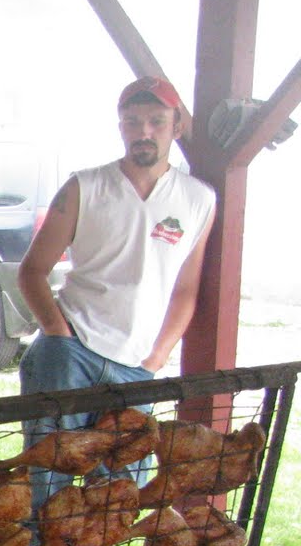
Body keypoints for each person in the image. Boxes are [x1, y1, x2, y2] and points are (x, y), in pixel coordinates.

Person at [16, 75, 216, 508]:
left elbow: (186, 289)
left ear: (175, 126)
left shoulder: (199, 200)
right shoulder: (84, 186)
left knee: (121, 489)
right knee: (50, 479)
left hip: (137, 365)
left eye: (156, 121)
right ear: (121, 127)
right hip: (71, 354)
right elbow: (32, 271)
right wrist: (58, 332)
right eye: (132, 121)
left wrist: (158, 354)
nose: (143, 131)